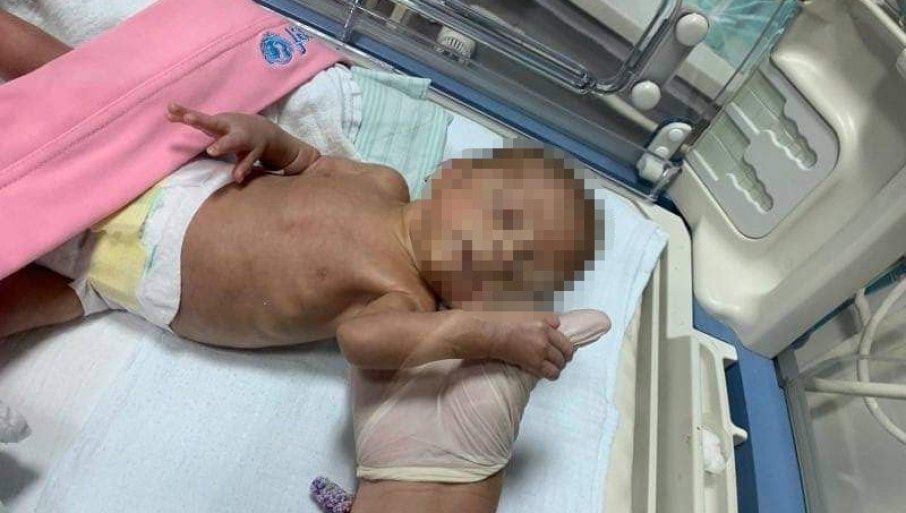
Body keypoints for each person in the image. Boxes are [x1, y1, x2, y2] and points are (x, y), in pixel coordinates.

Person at [0, 9, 610, 512]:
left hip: (115, 277)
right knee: (80, 86)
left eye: (518, 265)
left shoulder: (403, 298)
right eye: (505, 218)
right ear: (453, 179)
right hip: (160, 177)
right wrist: (264, 138)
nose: (501, 249)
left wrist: (482, 335)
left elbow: (360, 342)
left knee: (26, 302)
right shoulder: (381, 183)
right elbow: (306, 163)